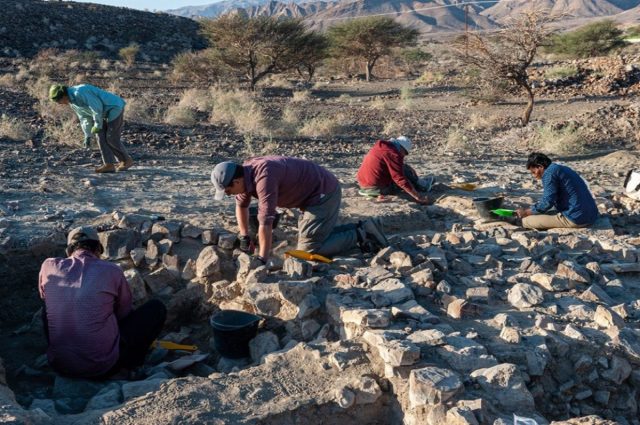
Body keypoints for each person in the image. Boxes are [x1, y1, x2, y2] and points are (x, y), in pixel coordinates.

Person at [39, 226, 166, 379]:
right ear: (98, 249)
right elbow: (123, 313)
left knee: (46, 309)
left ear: (69, 250)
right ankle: (133, 364)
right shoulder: (112, 270)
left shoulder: (48, 266)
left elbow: (45, 297)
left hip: (59, 365)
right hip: (103, 367)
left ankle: (62, 351)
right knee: (156, 308)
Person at [211, 156, 389, 262]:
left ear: (236, 181)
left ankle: (363, 233)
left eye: (227, 191)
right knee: (312, 237)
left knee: (308, 251)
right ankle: (363, 228)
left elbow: (265, 221)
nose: (227, 194)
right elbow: (241, 205)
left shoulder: (264, 177)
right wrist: (244, 235)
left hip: (323, 194)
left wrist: (262, 259)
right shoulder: (245, 175)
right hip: (309, 197)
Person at [48, 84, 134, 173]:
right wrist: (87, 135)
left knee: (111, 137)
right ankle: (109, 164)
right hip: (102, 114)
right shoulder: (72, 102)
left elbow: (96, 108)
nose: (59, 104)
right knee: (100, 137)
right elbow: (84, 117)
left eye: (59, 101)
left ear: (63, 95)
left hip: (113, 107)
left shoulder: (80, 92)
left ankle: (126, 160)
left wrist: (97, 124)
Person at [517, 153, 598, 230]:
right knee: (541, 213)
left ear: (540, 167)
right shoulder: (561, 168)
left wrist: (526, 212)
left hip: (577, 218)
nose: (534, 176)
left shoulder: (549, 173)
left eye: (533, 172)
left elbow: (547, 202)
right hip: (591, 215)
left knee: (524, 221)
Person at [356, 136, 430, 204]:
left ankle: (420, 183)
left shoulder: (381, 146)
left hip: (363, 183)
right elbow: (399, 179)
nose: (404, 156)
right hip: (376, 188)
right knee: (406, 175)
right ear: (402, 148)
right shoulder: (394, 154)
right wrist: (418, 196)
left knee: (402, 168)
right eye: (405, 153)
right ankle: (423, 185)